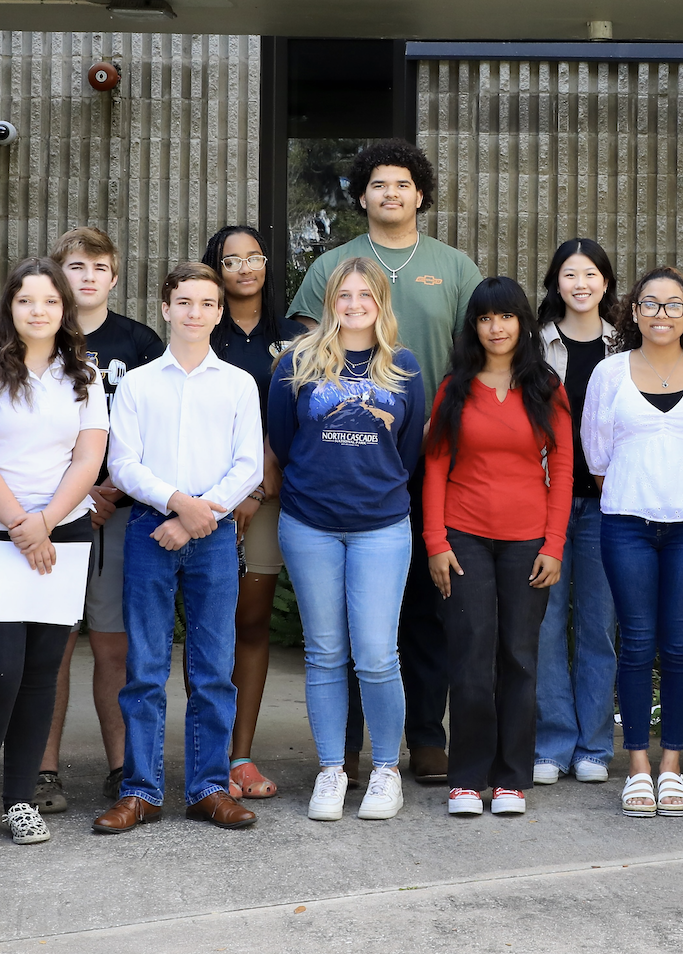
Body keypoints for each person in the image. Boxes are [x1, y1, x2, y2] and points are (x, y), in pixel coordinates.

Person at [287, 140, 481, 783]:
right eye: (378, 184)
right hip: (347, 459)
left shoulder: (453, 266)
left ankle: (423, 738)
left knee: (426, 600)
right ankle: (341, 749)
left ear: (420, 194)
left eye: (402, 184)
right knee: (343, 623)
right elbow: (302, 362)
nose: (390, 193)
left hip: (433, 454)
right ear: (362, 195)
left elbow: (478, 351)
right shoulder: (332, 265)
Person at [0, 258, 108, 851]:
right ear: (9, 307)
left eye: (50, 301)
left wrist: (45, 523)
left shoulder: (83, 373)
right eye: (26, 300)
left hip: (63, 535)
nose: (39, 311)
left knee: (41, 674)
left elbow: (89, 458)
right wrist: (20, 524)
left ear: (65, 309)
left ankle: (19, 802)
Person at [95, 263, 264, 834]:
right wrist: (175, 504)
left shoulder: (238, 384)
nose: (196, 312)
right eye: (184, 302)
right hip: (150, 529)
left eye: (207, 303)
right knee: (144, 668)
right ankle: (140, 791)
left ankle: (209, 788)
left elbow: (249, 465)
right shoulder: (139, 384)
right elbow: (124, 463)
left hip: (212, 535)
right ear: (166, 308)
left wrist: (196, 517)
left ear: (219, 312)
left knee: (213, 668)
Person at [270, 258, 426, 822]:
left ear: (381, 303)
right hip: (310, 522)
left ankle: (386, 770)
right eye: (344, 294)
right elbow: (283, 442)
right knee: (325, 652)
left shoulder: (403, 367)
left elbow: (408, 451)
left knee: (378, 655)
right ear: (329, 301)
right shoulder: (295, 363)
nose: (354, 304)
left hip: (381, 525)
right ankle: (332, 769)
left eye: (366, 295)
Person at [582, 266, 683, 819]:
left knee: (679, 644)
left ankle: (672, 765)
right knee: (637, 642)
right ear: (634, 312)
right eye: (650, 303)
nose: (661, 314)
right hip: (627, 523)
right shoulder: (609, 373)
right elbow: (597, 454)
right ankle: (638, 767)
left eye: (673, 304)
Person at [425, 277, 572, 817]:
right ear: (474, 326)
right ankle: (466, 778)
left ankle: (511, 779)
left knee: (519, 657)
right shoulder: (455, 387)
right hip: (463, 536)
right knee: (470, 657)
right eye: (485, 318)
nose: (496, 327)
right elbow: (435, 465)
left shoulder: (545, 386)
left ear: (522, 322)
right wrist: (435, 541)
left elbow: (562, 467)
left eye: (506, 316)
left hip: (528, 541)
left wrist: (554, 543)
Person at [34, 227, 166, 814]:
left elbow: (159, 425)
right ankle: (42, 769)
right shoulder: (39, 335)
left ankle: (121, 768)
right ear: (58, 274)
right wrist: (75, 494)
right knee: (53, 646)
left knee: (115, 648)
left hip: (120, 511)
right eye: (76, 267)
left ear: (114, 276)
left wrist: (109, 487)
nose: (87, 277)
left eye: (99, 268)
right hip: (53, 513)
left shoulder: (140, 342)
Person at [201, 224, 311, 801]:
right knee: (209, 626)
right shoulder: (200, 327)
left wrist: (259, 487)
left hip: (267, 499)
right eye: (231, 259)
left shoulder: (297, 337)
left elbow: (304, 418)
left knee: (250, 621)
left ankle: (239, 756)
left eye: (254, 257)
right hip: (204, 501)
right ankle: (208, 754)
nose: (244, 268)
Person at [532, 238, 620, 786]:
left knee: (599, 627)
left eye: (590, 274)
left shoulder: (627, 344)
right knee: (544, 626)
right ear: (555, 283)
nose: (580, 284)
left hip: (609, 504)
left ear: (605, 283)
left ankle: (594, 746)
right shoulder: (535, 344)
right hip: (545, 501)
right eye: (570, 274)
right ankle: (551, 743)